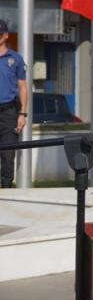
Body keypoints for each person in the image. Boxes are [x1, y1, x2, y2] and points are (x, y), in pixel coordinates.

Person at [0, 20, 27, 188]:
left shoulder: (15, 59)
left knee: (8, 154)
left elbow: (22, 86)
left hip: (9, 112)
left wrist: (22, 114)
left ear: (6, 35)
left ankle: (6, 190)